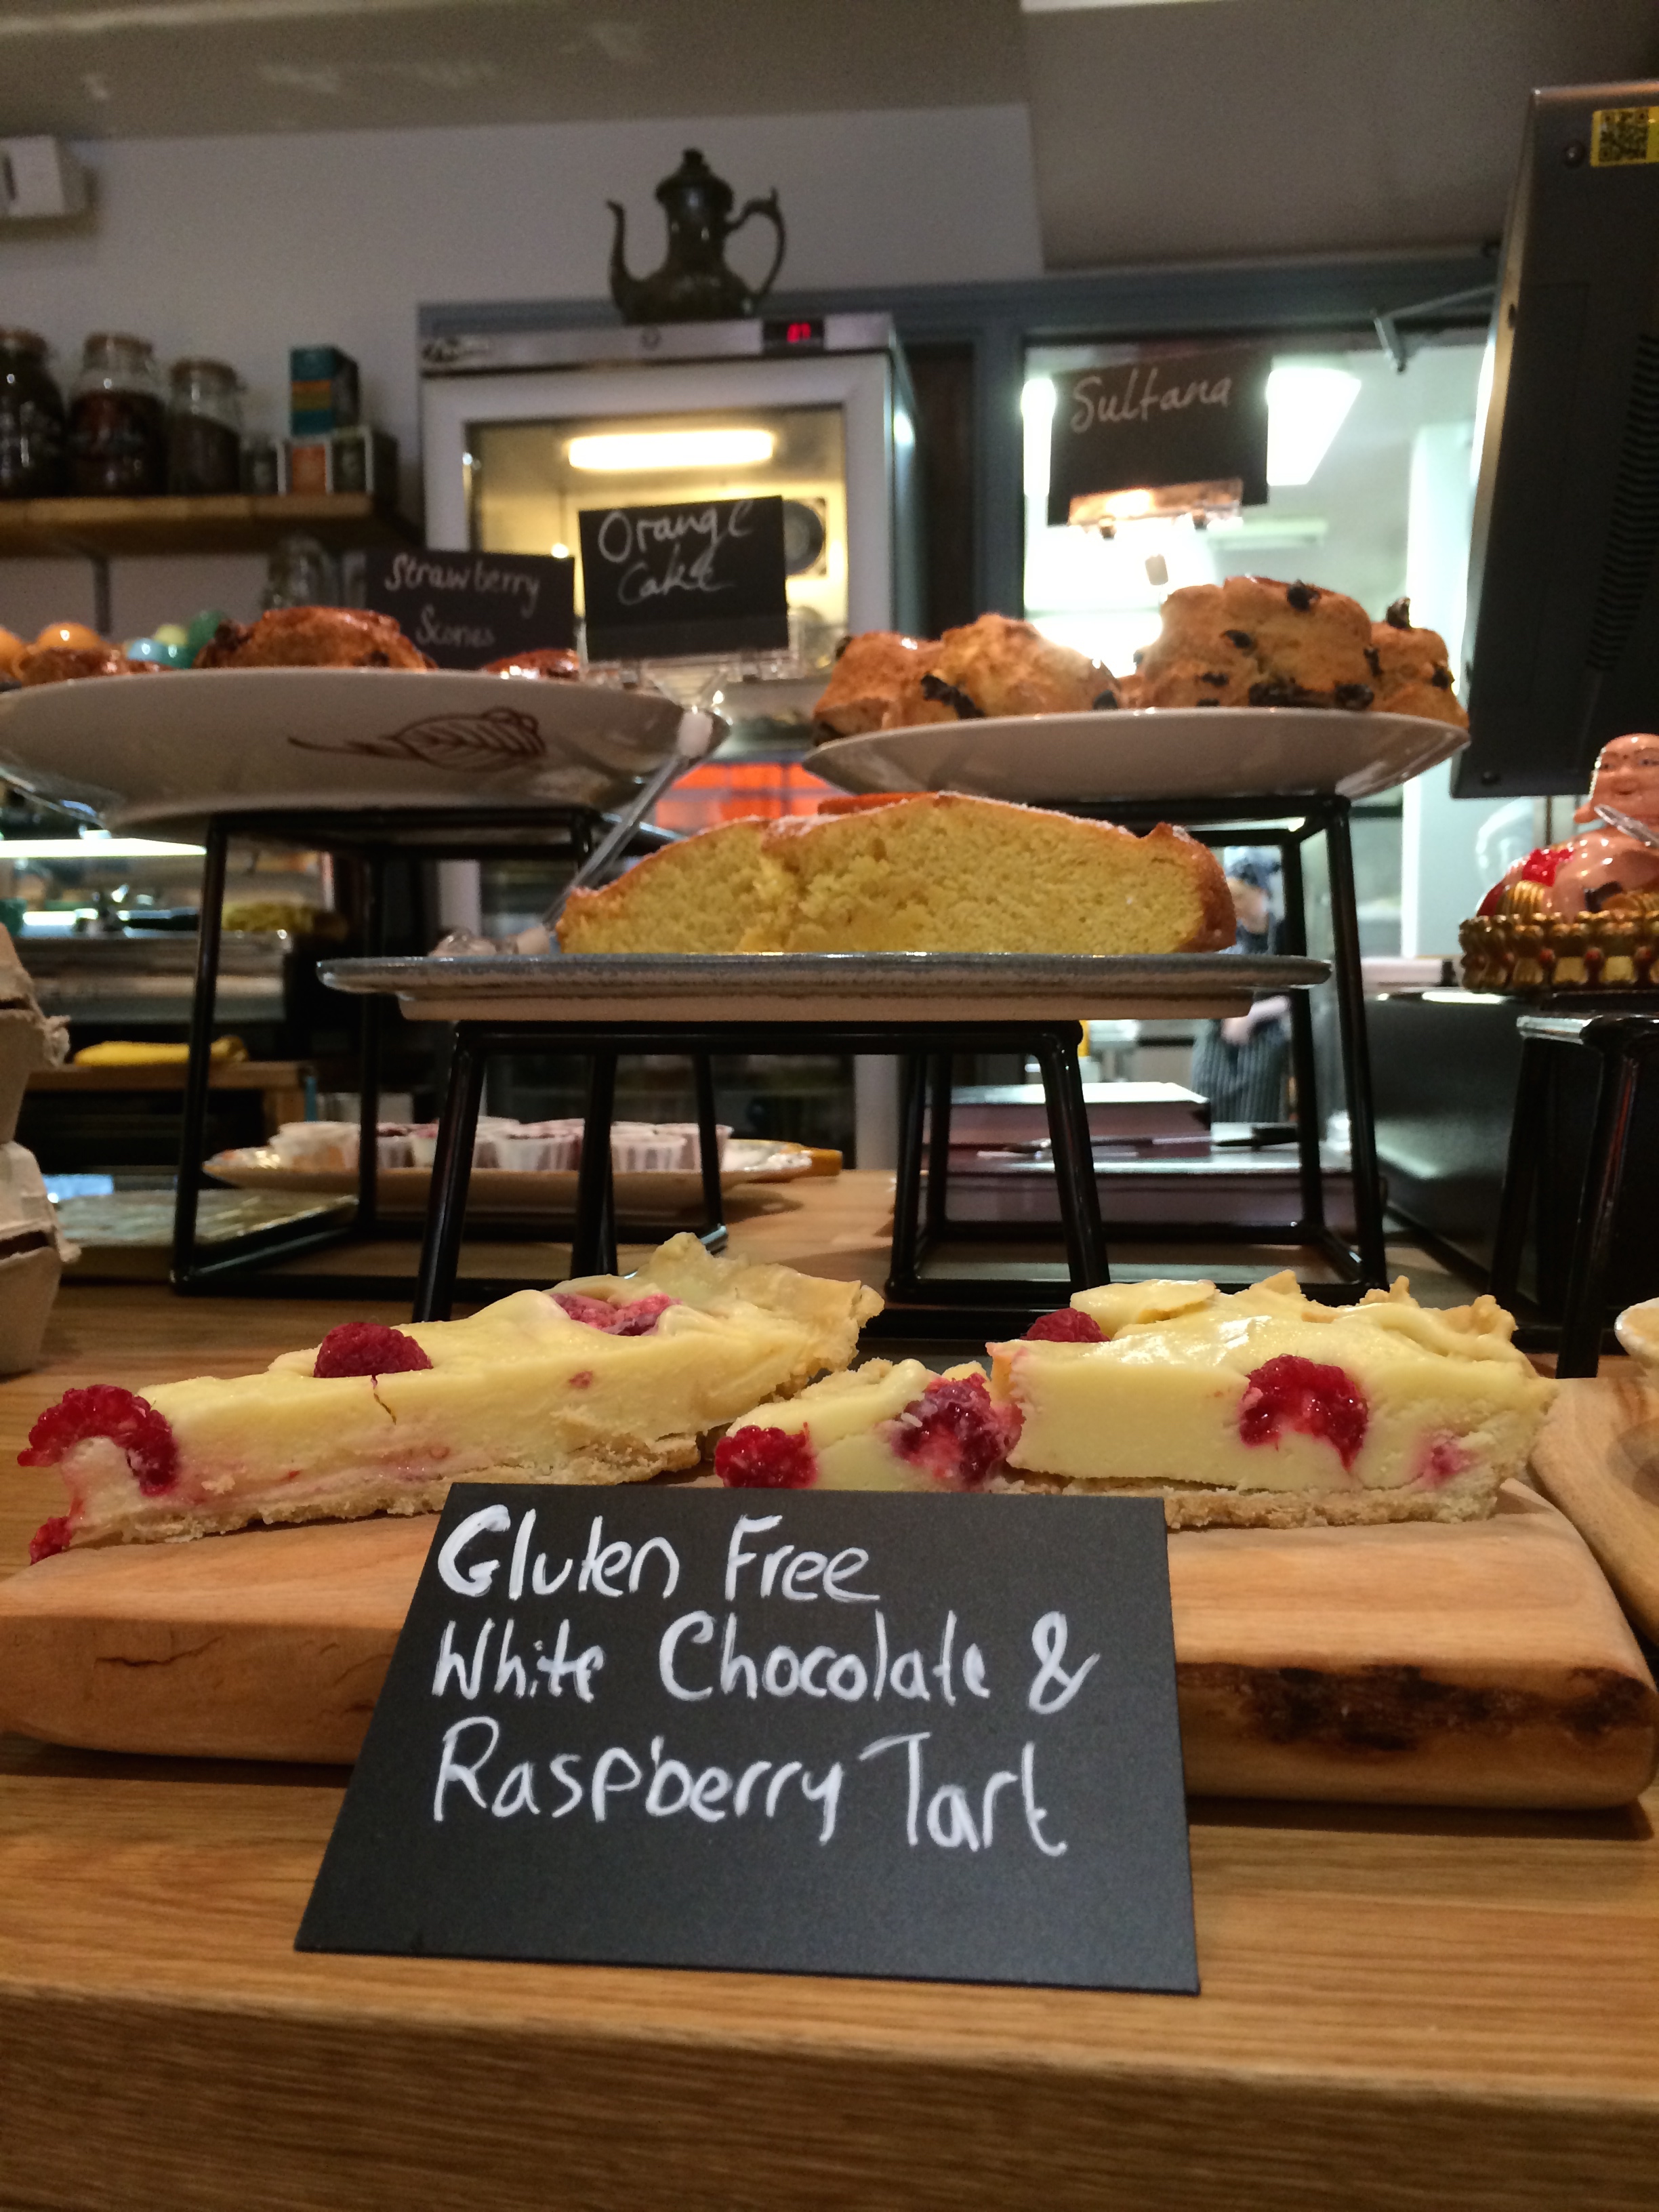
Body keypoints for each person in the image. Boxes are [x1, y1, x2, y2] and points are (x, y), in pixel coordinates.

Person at [1190, 849, 1290, 1124]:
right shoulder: (1220, 932)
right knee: (1206, 1122)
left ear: (1263, 893)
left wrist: (1252, 1014)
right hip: (1214, 1039)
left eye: (1241, 896)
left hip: (1263, 1043)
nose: (1234, 904)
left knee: (1254, 1126)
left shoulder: (1285, 934)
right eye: (1230, 896)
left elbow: (1298, 994)